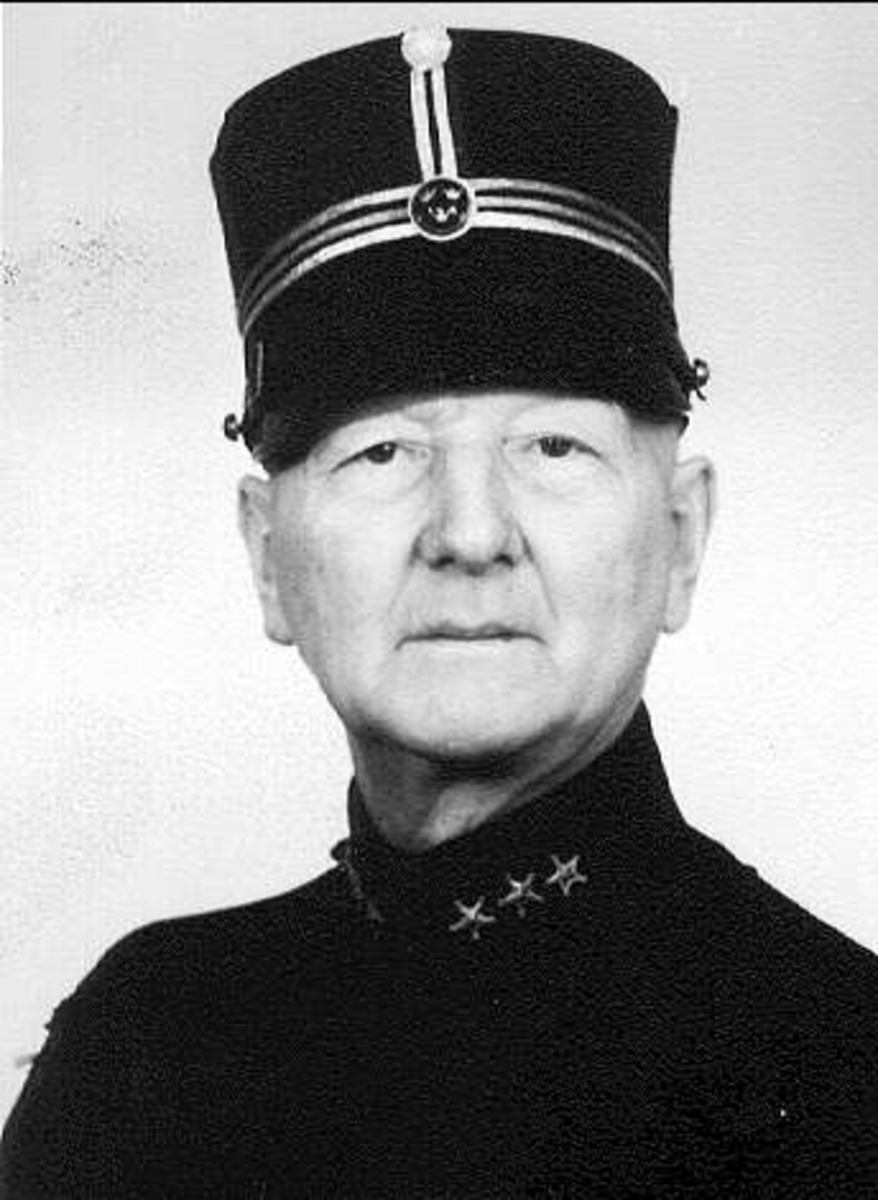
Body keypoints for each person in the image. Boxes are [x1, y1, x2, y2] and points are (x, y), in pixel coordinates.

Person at [2, 24, 876, 1199]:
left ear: (680, 537)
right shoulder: (143, 1049)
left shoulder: (843, 1072)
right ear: (267, 558)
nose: (468, 533)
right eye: (381, 453)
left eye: (552, 446)